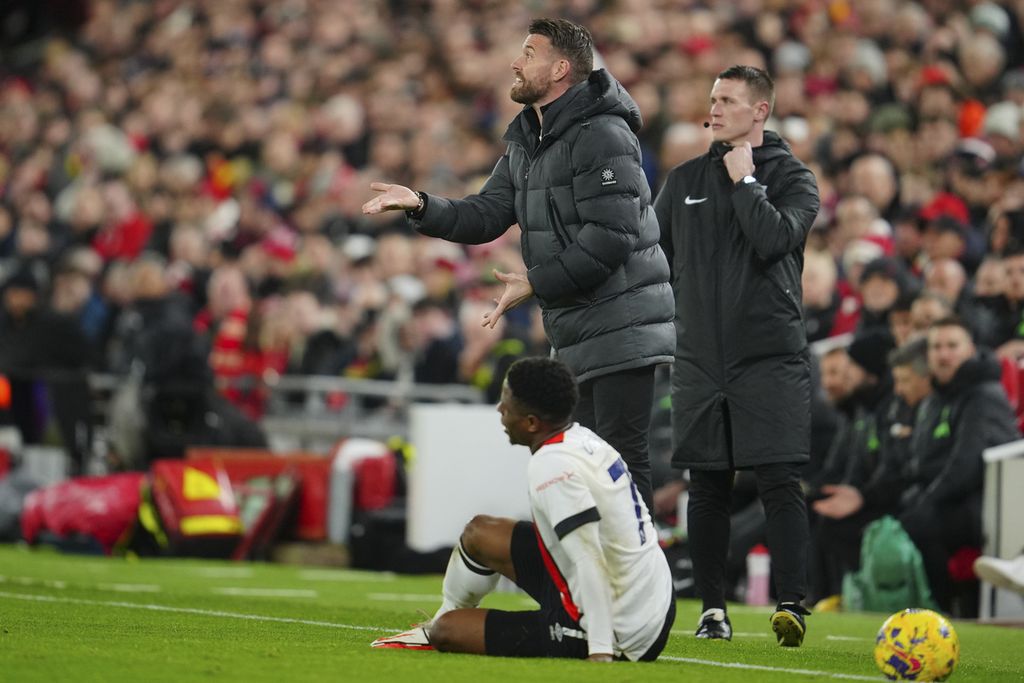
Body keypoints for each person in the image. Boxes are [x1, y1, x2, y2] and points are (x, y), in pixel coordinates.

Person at [361, 18, 674, 512]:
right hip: (575, 327)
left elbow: (612, 238)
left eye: (529, 53)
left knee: (618, 467)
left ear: (561, 69)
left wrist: (536, 283)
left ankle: (649, 591)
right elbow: (487, 214)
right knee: (581, 469)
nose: (515, 61)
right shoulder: (530, 137)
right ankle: (591, 588)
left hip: (624, 325)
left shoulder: (604, 134)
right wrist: (422, 204)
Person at [653, 65, 820, 645]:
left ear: (761, 111)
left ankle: (793, 603)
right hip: (700, 357)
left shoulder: (795, 179)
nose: (715, 108)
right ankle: (713, 609)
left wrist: (747, 182)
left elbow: (775, 241)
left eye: (728, 100)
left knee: (778, 479)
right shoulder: (682, 181)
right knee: (708, 485)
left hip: (770, 357)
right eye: (712, 99)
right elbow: (655, 262)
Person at [369, 357, 675, 661]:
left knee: (447, 632)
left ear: (531, 422)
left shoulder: (552, 466)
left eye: (507, 404)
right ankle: (440, 615)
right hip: (650, 595)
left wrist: (600, 650)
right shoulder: (581, 437)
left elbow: (589, 557)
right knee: (479, 532)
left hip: (622, 626)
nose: (500, 411)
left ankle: (439, 626)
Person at [898, 317, 1018, 611]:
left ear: (971, 350)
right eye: (937, 346)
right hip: (951, 499)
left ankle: (947, 605)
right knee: (897, 514)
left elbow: (968, 465)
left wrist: (926, 500)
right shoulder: (934, 400)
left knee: (920, 521)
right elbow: (921, 459)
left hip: (988, 503)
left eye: (952, 345)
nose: (943, 354)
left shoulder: (983, 395)